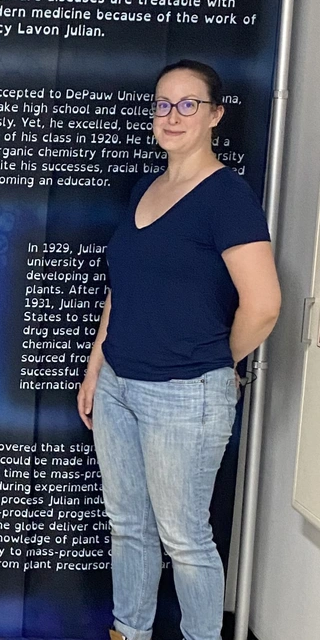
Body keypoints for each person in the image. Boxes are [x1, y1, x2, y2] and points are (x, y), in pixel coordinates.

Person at [77, 60, 281, 640]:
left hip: (183, 398)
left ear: (215, 114)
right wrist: (96, 368)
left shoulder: (228, 197)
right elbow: (124, 288)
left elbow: (264, 304)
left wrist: (218, 362)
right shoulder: (149, 187)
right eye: (164, 104)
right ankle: (129, 631)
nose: (172, 116)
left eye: (188, 104)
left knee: (186, 541)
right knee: (129, 528)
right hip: (119, 388)